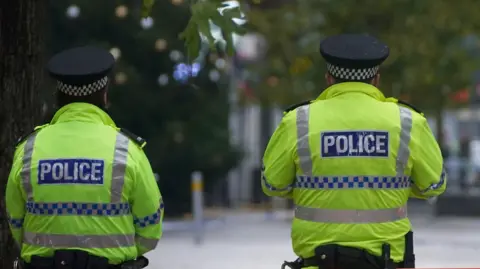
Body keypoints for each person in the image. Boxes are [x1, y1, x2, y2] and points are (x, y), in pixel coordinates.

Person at [261, 34, 447, 269]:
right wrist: (393, 186)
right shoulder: (408, 121)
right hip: (386, 262)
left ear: (329, 79)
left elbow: (272, 185)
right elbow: (434, 185)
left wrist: (312, 188)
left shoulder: (298, 121)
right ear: (376, 79)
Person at [6, 46, 163, 269]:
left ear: (58, 97)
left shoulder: (29, 148)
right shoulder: (126, 149)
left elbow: (15, 220)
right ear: (104, 94)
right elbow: (150, 225)